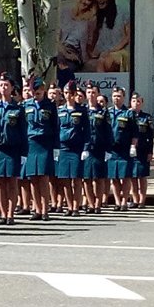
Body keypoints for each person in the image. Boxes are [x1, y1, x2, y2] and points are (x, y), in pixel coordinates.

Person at [0, 72, 27, 225]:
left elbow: (23, 132)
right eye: (1, 85)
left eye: (6, 85)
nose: (3, 88)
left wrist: (24, 153)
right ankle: (2, 212)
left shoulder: (18, 109)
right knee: (0, 182)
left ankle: (11, 214)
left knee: (12, 183)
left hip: (13, 150)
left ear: (12, 87)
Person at [23, 77, 60, 221]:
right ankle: (37, 209)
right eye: (33, 92)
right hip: (31, 144)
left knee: (44, 178)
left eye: (37, 92)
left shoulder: (50, 106)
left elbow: (55, 128)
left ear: (43, 90)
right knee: (33, 178)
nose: (35, 95)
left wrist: (56, 147)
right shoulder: (26, 105)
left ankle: (45, 209)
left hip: (45, 144)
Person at [56, 81, 90, 216]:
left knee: (76, 179)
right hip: (63, 147)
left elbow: (87, 130)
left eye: (71, 93)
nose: (68, 96)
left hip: (76, 148)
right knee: (64, 179)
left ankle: (76, 206)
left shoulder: (81, 110)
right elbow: (56, 129)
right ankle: (69, 206)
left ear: (75, 94)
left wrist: (86, 148)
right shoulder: (60, 111)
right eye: (66, 93)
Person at [82, 81, 112, 214]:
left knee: (98, 178)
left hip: (99, 148)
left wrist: (108, 150)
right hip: (85, 149)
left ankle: (98, 204)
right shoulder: (82, 110)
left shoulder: (104, 112)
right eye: (89, 92)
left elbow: (108, 131)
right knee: (86, 178)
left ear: (98, 94)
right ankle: (90, 203)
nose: (91, 95)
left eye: (94, 92)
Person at [58, 0, 96, 85]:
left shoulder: (90, 20)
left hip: (75, 52)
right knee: (58, 62)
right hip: (60, 48)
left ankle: (67, 94)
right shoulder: (65, 13)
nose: (84, 1)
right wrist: (64, 53)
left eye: (88, 0)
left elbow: (89, 43)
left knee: (66, 68)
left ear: (91, 3)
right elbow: (56, 37)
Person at [89, 0, 131, 73]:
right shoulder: (96, 17)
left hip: (120, 51)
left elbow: (128, 36)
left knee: (103, 61)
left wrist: (112, 50)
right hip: (103, 53)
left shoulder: (122, 12)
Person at [108, 86, 138, 211]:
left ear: (124, 98)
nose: (116, 98)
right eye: (114, 96)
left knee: (125, 177)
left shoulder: (129, 113)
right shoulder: (107, 112)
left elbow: (135, 132)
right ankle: (117, 201)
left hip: (125, 149)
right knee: (114, 178)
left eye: (119, 96)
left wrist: (133, 146)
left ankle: (125, 201)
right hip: (111, 150)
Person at [130, 92, 153, 208]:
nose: (136, 103)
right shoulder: (127, 115)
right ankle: (135, 199)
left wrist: (150, 152)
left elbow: (151, 136)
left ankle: (142, 200)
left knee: (142, 176)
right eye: (134, 101)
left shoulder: (147, 118)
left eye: (138, 101)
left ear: (142, 103)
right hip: (130, 150)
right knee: (132, 176)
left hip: (143, 150)